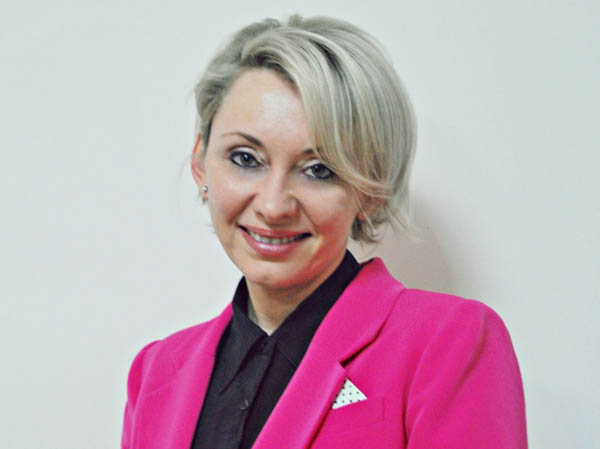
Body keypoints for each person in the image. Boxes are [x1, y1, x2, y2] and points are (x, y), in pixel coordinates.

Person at [121, 15, 528, 449]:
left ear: (369, 189)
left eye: (318, 170)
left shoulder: (447, 343)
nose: (273, 206)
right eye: (245, 158)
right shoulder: (155, 373)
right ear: (201, 162)